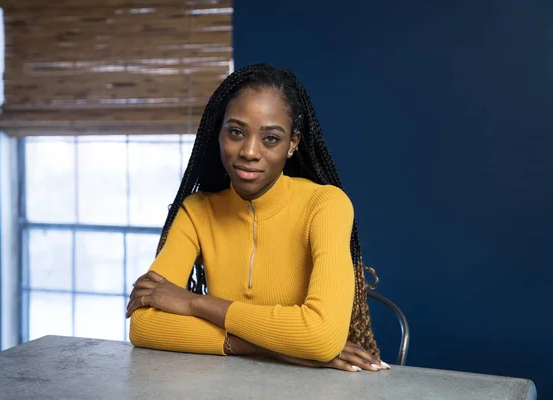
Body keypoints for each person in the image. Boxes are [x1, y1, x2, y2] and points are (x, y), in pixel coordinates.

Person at [126, 63, 388, 372]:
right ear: (219, 132)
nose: (249, 151)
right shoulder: (196, 211)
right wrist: (277, 350)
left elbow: (321, 337)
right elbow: (144, 326)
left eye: (271, 138)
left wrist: (193, 302)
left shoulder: (326, 204)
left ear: (292, 144)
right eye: (236, 132)